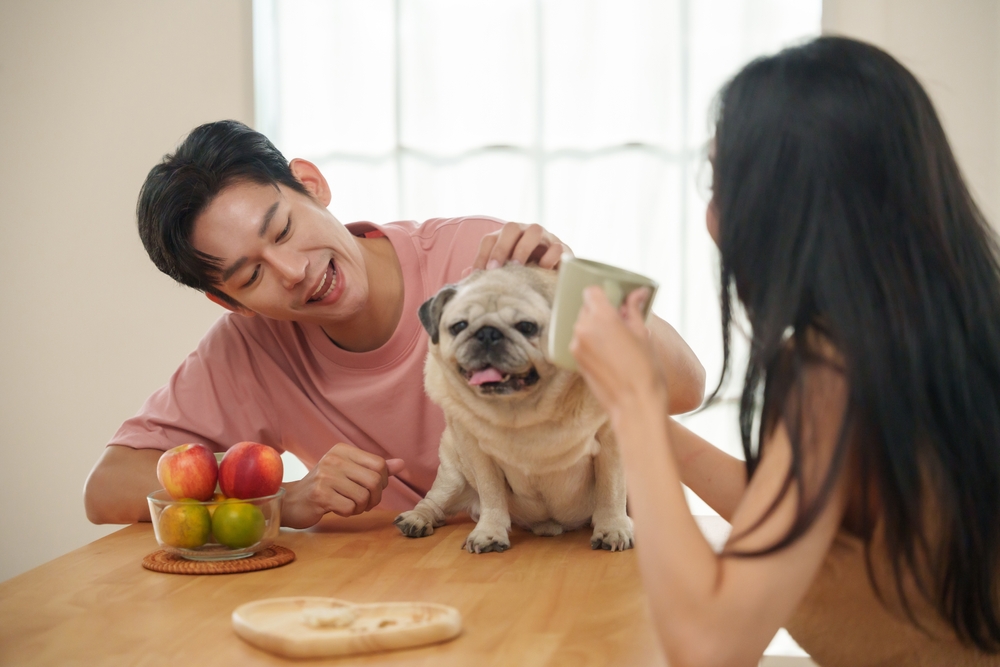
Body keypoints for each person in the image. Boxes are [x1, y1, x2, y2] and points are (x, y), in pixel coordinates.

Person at [570, 36, 1000, 667]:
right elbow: (798, 510)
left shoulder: (831, 375)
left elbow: (709, 645)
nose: (713, 216)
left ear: (788, 204)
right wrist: (630, 413)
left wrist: (635, 404)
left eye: (722, 182)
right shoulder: (950, 322)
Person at [84, 120, 706, 530]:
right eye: (250, 277)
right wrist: (280, 501)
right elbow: (108, 487)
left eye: (282, 229)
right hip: (425, 590)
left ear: (311, 184)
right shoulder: (248, 348)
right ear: (232, 304)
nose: (293, 271)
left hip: (589, 566)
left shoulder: (476, 256)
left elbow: (685, 386)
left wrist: (577, 288)